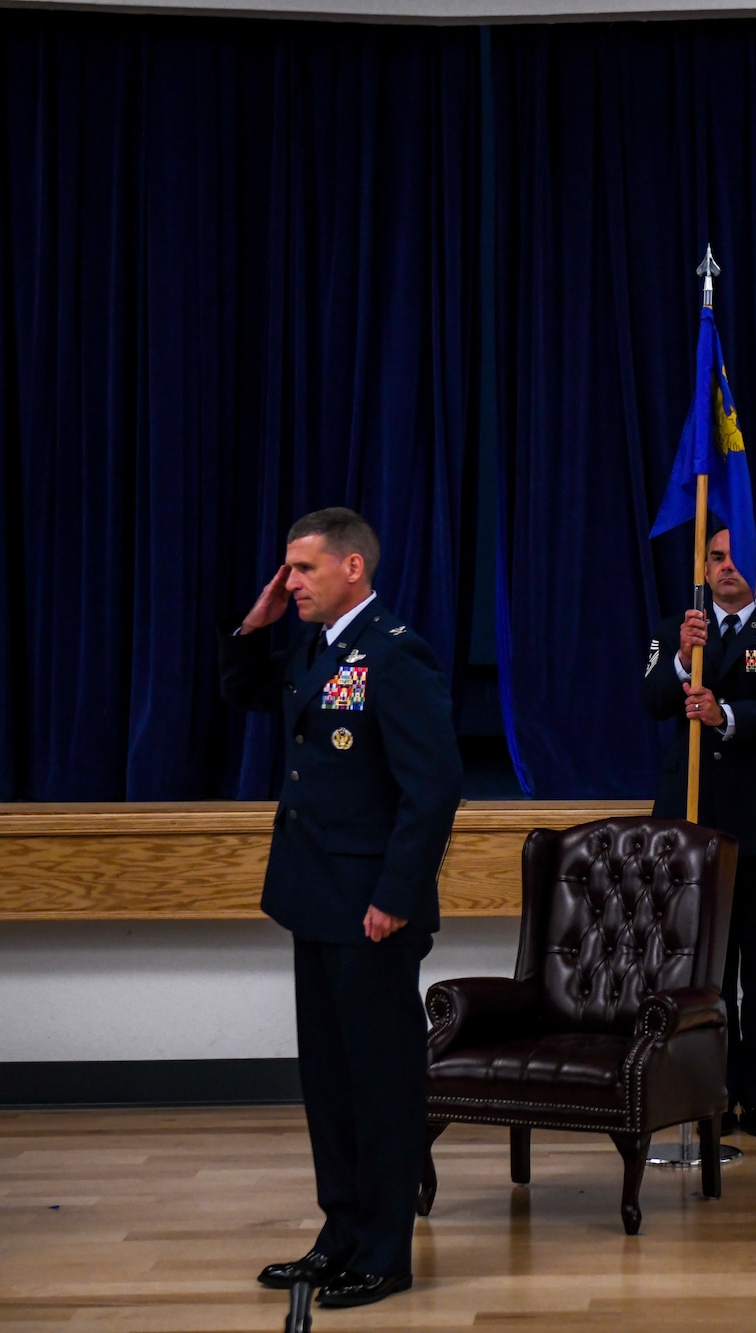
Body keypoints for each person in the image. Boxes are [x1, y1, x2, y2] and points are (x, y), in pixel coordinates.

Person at [219, 507, 461, 1310]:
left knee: (381, 1081)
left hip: (371, 909)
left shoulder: (395, 655)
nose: (289, 582)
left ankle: (385, 1249)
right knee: (329, 1081)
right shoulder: (315, 649)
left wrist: (395, 895)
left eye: (302, 569)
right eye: (287, 569)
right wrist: (253, 628)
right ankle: (341, 1232)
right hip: (316, 898)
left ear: (352, 568)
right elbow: (247, 691)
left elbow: (432, 789)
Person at [642, 522, 756, 1137]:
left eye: (738, 558)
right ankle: (706, 1093)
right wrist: (677, 656)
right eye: (715, 557)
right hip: (693, 833)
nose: (726, 567)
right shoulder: (676, 630)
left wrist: (727, 715)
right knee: (705, 973)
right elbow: (653, 699)